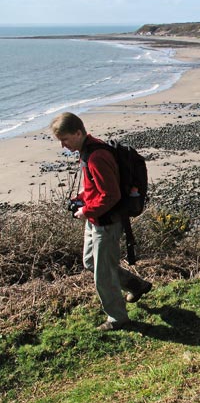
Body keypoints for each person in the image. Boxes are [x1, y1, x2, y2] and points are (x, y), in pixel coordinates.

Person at [51, 112, 151, 331]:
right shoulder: (88, 149)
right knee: (90, 262)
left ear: (78, 133)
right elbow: (98, 186)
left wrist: (86, 210)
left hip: (106, 223)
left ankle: (118, 319)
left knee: (103, 274)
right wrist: (82, 197)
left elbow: (111, 195)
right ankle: (136, 284)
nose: (63, 145)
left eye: (65, 139)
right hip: (97, 220)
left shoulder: (96, 156)